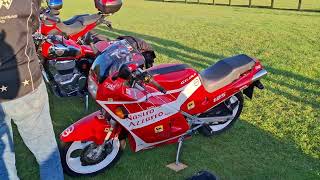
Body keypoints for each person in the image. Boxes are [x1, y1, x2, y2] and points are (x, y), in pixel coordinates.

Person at [0, 0, 64, 179]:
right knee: (46, 153)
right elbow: (34, 23)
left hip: (22, 84)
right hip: (24, 83)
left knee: (2, 156)